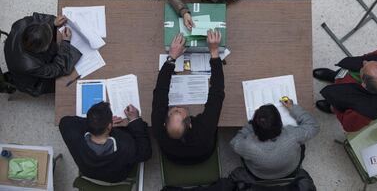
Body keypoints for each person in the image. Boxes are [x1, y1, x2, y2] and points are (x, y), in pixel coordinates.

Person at [152, 30, 224, 164]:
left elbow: (160, 92)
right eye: (178, 111)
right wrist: (214, 53)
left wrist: (171, 58)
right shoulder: (205, 129)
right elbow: (217, 93)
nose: (176, 106)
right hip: (204, 155)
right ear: (190, 124)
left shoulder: (157, 128)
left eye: (173, 111)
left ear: (164, 122)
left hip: (173, 157)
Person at [59, 102, 152, 183]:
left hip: (88, 172)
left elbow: (65, 121)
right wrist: (134, 120)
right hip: (116, 177)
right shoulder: (126, 145)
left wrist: (95, 123)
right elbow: (145, 153)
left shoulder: (73, 136)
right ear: (109, 126)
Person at [313, 48, 377, 132]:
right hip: (346, 76)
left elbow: (349, 126)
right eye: (370, 62)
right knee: (341, 74)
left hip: (346, 100)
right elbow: (369, 56)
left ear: (364, 85)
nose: (364, 61)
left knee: (337, 102)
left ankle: (332, 107)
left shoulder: (363, 112)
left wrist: (337, 108)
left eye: (364, 67)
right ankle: (333, 76)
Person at [230, 99, 319, 180]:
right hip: (291, 170)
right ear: (280, 123)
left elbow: (234, 142)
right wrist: (293, 108)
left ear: (255, 127)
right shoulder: (293, 135)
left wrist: (249, 126)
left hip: (260, 175)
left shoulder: (248, 145)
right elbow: (313, 126)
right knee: (301, 145)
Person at [3, 13, 81, 96]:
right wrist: (66, 42)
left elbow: (37, 20)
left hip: (13, 53)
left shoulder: (22, 24)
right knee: (65, 80)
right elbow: (57, 69)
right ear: (43, 49)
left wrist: (53, 22)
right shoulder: (31, 65)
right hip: (32, 81)